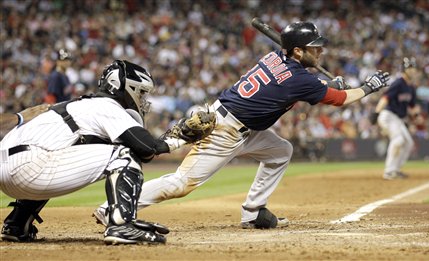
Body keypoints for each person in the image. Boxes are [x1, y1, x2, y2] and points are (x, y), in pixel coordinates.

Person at [93, 21, 390, 229]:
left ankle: (253, 212)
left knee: (281, 151)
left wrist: (324, 82)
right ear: (297, 51)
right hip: (224, 130)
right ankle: (114, 209)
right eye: (315, 48)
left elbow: (300, 82)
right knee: (181, 184)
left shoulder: (275, 57)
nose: (320, 52)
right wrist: (368, 87)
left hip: (244, 126)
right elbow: (340, 99)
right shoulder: (300, 79)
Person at [0, 60, 190, 244]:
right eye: (141, 93)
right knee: (124, 154)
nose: (142, 100)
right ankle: (121, 225)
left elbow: (147, 154)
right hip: (30, 167)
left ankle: (17, 224)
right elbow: (146, 148)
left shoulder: (82, 105)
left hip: (7, 169)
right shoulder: (107, 106)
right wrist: (182, 137)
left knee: (58, 152)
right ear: (127, 88)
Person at [370, 57, 421, 180]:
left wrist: (417, 116)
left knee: (408, 143)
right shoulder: (399, 83)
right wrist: (376, 113)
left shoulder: (411, 88)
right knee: (398, 140)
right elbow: (385, 98)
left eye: (414, 68)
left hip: (398, 119)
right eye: (410, 67)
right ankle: (388, 171)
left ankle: (396, 169)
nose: (413, 70)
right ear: (404, 69)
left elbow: (412, 107)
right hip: (387, 115)